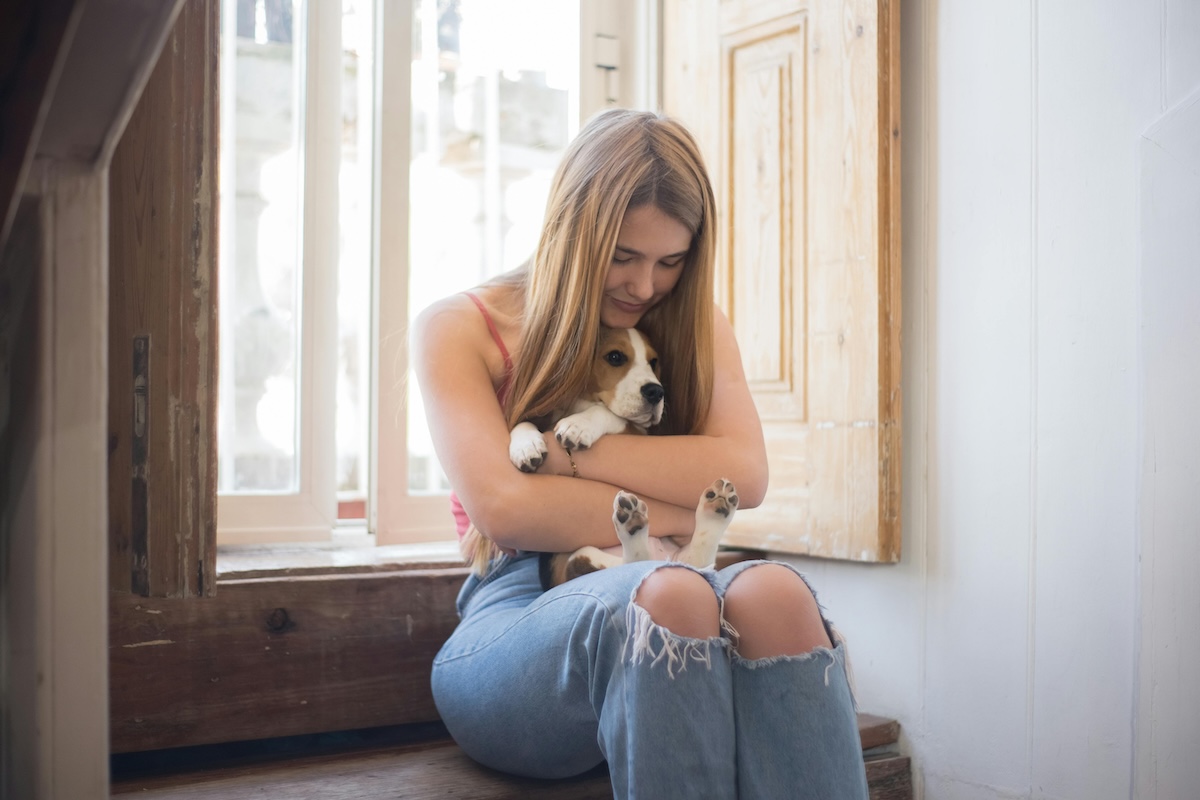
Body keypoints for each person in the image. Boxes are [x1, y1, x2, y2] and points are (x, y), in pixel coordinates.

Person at [411, 108, 869, 799]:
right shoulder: (460, 328)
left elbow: (744, 475)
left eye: (670, 261)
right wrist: (677, 501)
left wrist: (567, 461)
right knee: (675, 594)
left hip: (666, 580)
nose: (644, 286)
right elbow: (507, 510)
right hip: (513, 620)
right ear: (571, 231)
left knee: (772, 591)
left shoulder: (688, 323)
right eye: (623, 255)